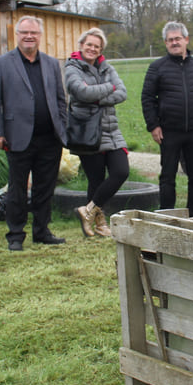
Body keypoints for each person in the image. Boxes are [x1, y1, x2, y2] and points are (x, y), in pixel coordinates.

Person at [0, 16, 68, 251]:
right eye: (24, 32)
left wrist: (62, 127)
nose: (29, 36)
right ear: (17, 35)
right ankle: (15, 235)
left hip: (50, 138)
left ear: (40, 36)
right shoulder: (2, 63)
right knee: (17, 188)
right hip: (17, 137)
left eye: (33, 33)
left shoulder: (52, 64)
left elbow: (60, 99)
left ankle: (42, 231)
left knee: (45, 188)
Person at [141, 21, 193, 217]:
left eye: (177, 39)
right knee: (167, 177)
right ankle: (168, 215)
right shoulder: (157, 67)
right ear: (165, 43)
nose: (174, 43)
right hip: (169, 131)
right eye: (170, 40)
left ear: (186, 40)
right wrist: (153, 125)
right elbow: (147, 98)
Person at [64, 28, 128, 238]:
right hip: (87, 131)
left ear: (101, 50)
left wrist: (96, 98)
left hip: (111, 129)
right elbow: (81, 92)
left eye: (97, 46)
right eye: (89, 44)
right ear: (81, 45)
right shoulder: (72, 68)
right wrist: (108, 88)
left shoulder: (106, 67)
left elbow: (122, 93)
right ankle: (99, 224)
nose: (92, 49)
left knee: (121, 171)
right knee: (96, 179)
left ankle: (88, 210)